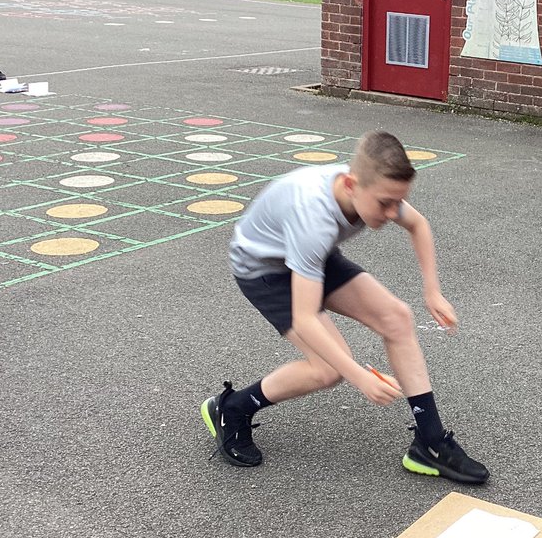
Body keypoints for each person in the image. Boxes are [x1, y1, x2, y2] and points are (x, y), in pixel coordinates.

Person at [200, 131, 489, 485]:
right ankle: (233, 408)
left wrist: (432, 291)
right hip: (264, 269)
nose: (392, 212)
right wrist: (359, 376)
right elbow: (306, 320)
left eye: (398, 202)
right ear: (351, 185)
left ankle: (429, 442)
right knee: (328, 370)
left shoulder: (372, 188)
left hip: (310, 258)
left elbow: (418, 224)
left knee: (396, 318)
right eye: (384, 203)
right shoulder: (313, 219)